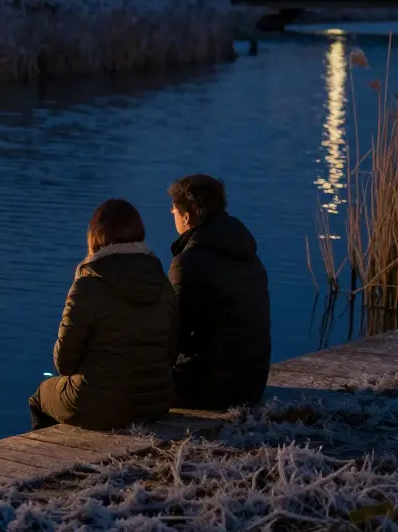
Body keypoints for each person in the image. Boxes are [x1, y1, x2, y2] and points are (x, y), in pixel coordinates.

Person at [28, 199, 177, 431]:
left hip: (99, 405)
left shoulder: (88, 285)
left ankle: (41, 460)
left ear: (95, 235)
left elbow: (64, 363)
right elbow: (170, 348)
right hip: (156, 403)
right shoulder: (162, 282)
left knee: (41, 395)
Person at [167, 175, 271, 409]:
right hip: (253, 384)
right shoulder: (248, 254)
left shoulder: (188, 263)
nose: (171, 214)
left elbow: (174, 338)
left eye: (173, 209)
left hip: (208, 389)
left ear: (187, 215)